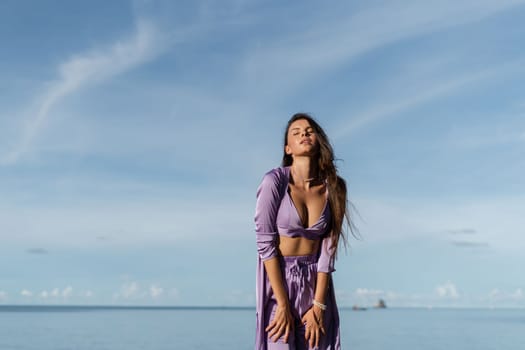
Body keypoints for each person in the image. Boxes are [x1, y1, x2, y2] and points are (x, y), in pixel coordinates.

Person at [255, 113, 352, 350]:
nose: (304, 134)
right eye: (296, 132)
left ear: (318, 140)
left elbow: (328, 251)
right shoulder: (274, 182)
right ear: (288, 148)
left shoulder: (335, 188)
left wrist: (318, 304)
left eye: (309, 131)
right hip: (279, 281)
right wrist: (283, 304)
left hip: (316, 284)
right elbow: (265, 244)